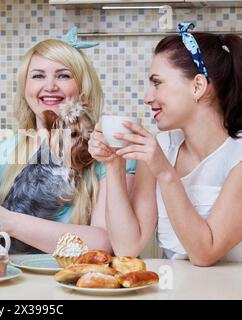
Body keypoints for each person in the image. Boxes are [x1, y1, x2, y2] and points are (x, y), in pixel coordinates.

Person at [0, 32, 137, 254]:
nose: (50, 86)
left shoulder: (107, 150)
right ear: (25, 88)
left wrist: (11, 222)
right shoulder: (2, 151)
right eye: (38, 76)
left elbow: (103, 244)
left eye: (63, 76)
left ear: (83, 87)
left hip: (76, 281)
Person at [89, 23, 242, 266]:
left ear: (198, 86)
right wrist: (113, 164)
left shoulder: (238, 157)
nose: (147, 97)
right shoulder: (163, 146)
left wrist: (165, 173)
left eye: (157, 82)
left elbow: (204, 254)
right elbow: (128, 246)